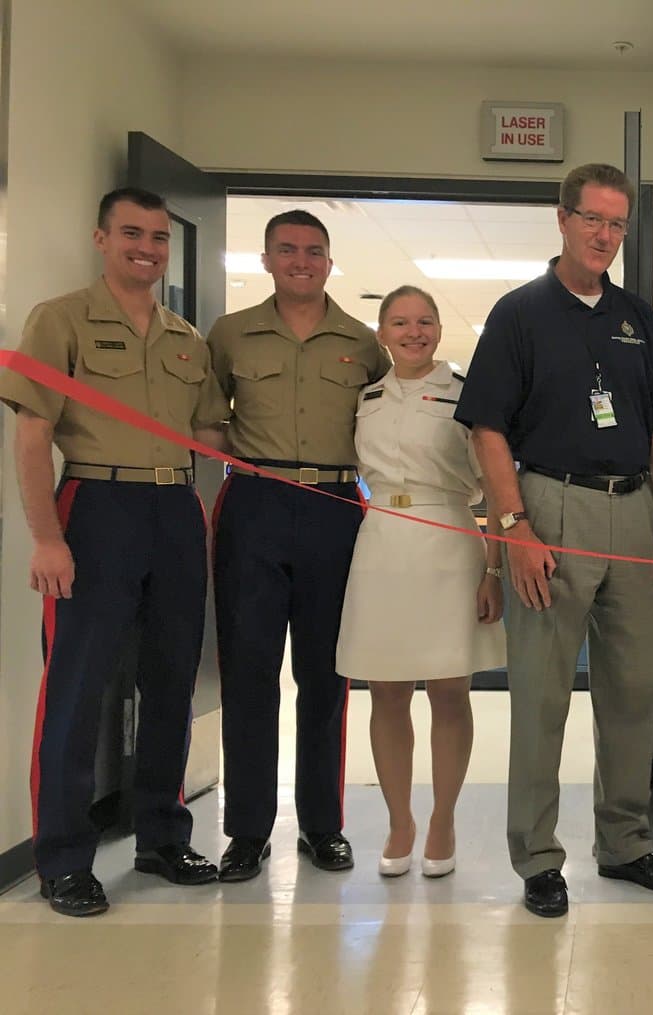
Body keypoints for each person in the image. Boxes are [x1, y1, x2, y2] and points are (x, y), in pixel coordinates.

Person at [455, 162, 653, 918]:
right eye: (592, 218)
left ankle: (625, 843)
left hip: (634, 515)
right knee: (542, 693)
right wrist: (514, 527)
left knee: (631, 693)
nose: (604, 235)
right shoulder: (519, 313)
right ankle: (537, 856)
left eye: (617, 223)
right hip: (549, 508)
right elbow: (488, 429)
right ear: (562, 219)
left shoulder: (637, 319)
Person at [0, 187, 229, 916]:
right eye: (133, 233)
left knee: (172, 682)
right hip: (97, 506)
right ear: (101, 238)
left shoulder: (188, 338)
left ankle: (162, 836)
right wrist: (46, 537)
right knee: (78, 687)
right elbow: (33, 435)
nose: (148, 248)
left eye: (160, 237)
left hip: (175, 510)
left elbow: (214, 438)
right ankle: (63, 858)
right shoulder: (61, 319)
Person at [207, 209, 388, 882]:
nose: (301, 260)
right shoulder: (230, 335)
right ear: (267, 259)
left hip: (336, 507)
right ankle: (248, 830)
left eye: (314, 250)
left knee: (326, 673)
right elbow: (206, 421)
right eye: (288, 249)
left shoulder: (363, 342)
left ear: (329, 260)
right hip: (255, 504)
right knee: (249, 670)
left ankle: (322, 825)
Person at [335, 285, 506, 877]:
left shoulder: (465, 396)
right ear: (380, 333)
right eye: (401, 323)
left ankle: (443, 819)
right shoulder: (366, 397)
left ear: (438, 329)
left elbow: (493, 483)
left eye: (425, 321)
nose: (414, 332)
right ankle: (399, 819)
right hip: (381, 538)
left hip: (449, 538)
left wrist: (493, 570)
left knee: (448, 690)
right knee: (385, 689)